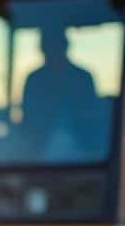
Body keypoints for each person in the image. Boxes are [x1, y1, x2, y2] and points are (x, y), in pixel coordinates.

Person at [19, 25, 103, 160]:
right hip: (39, 155)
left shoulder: (82, 78)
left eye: (54, 46)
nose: (50, 52)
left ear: (65, 46)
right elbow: (28, 121)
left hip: (84, 155)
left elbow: (92, 119)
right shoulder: (34, 80)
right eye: (47, 46)